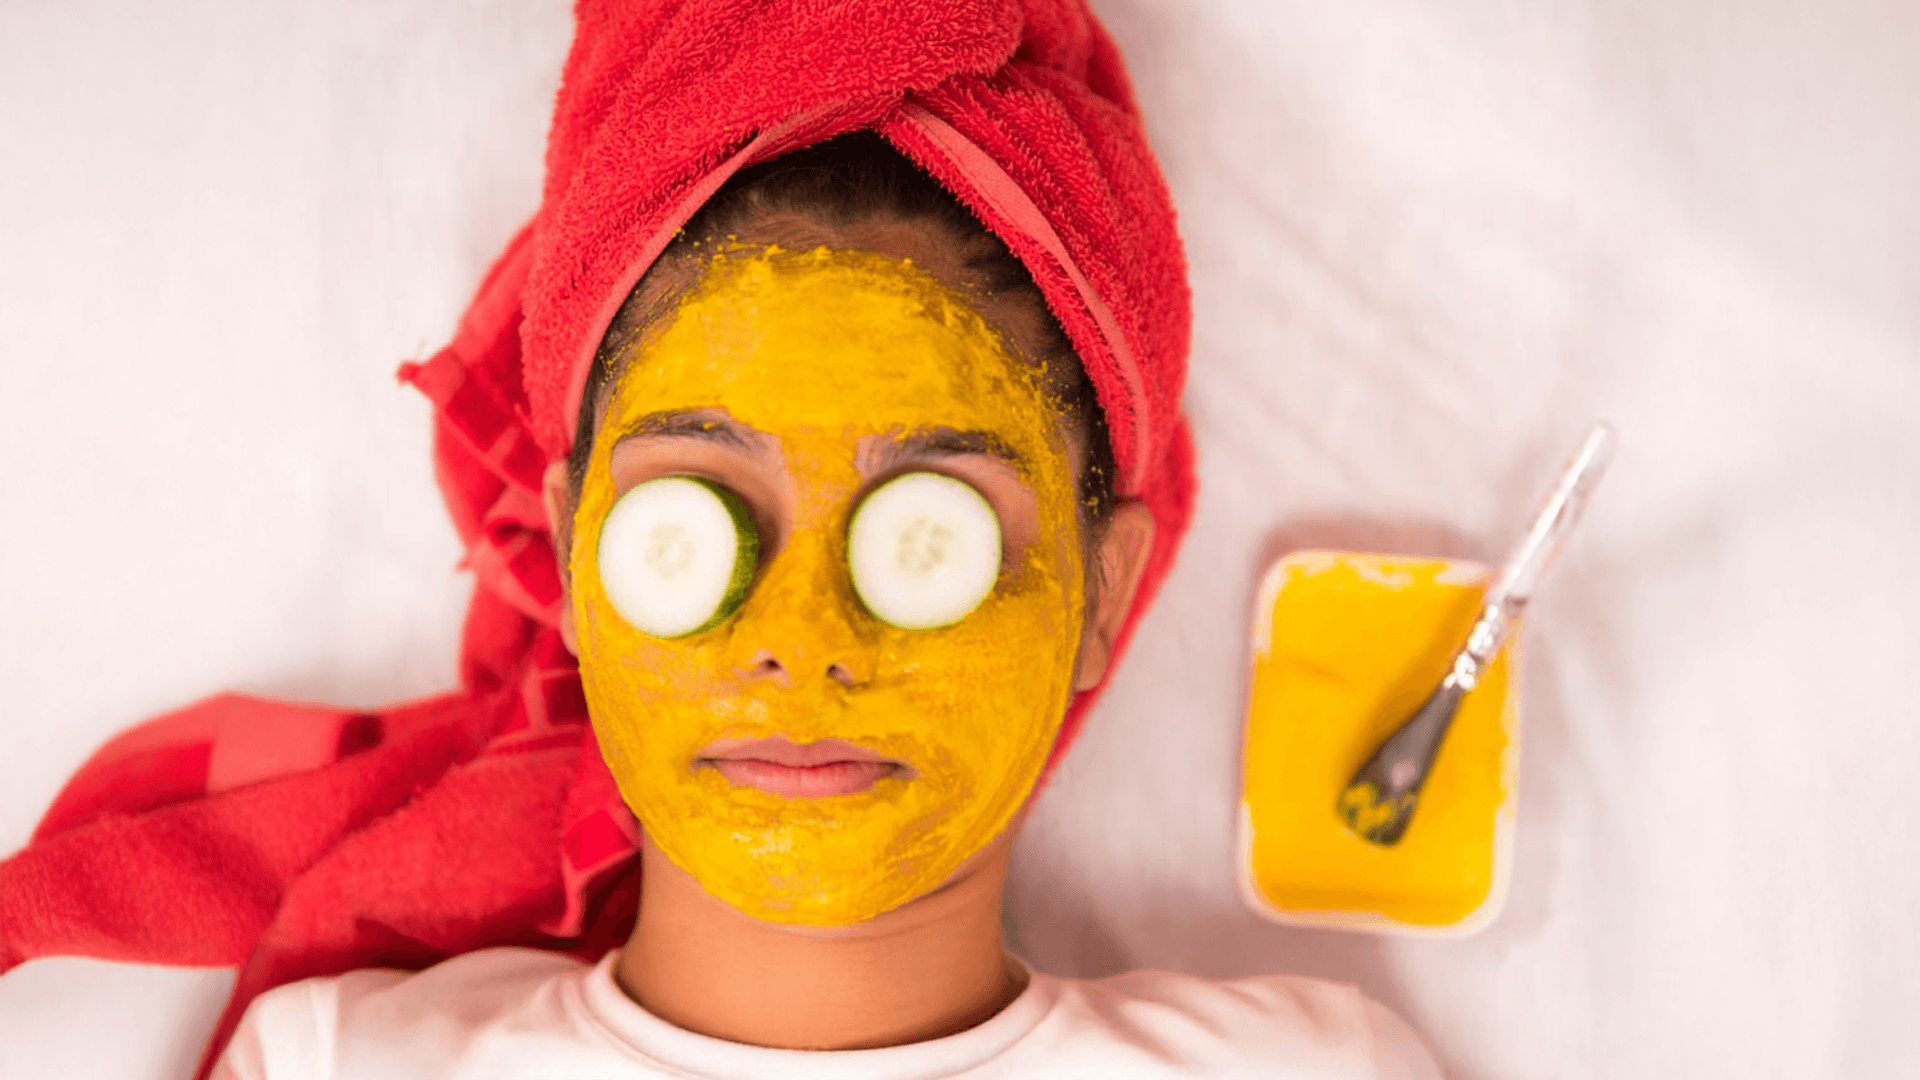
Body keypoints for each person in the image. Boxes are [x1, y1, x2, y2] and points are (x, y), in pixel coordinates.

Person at [6, 3, 1442, 1077]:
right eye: (700, 521)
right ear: (575, 560)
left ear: (1101, 596)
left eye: (923, 533)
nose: (799, 642)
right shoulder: (338, 1063)